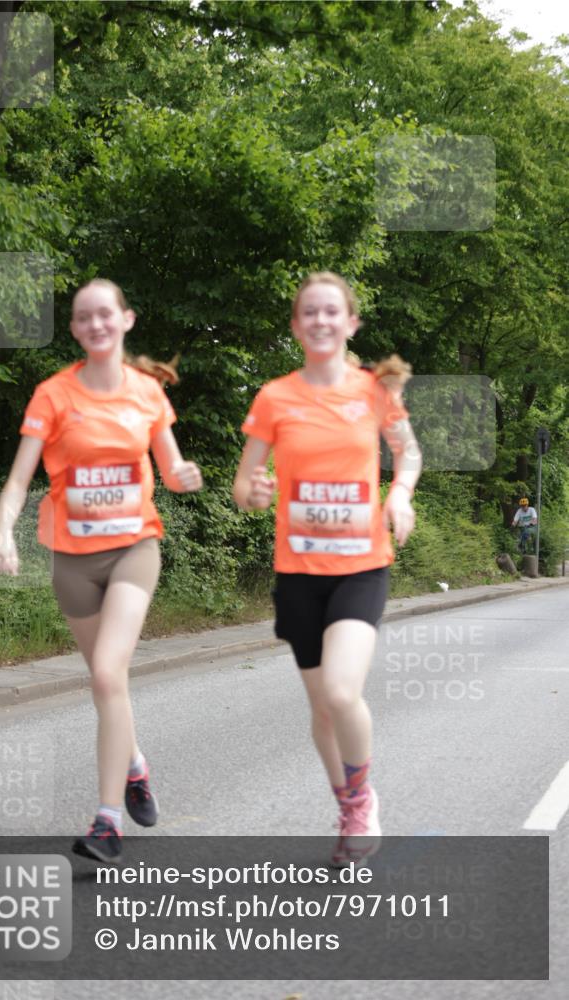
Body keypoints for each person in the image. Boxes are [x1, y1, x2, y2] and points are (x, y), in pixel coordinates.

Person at [0, 278, 202, 862]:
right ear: (77, 329)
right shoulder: (53, 395)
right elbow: (17, 479)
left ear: (126, 320)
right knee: (107, 683)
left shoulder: (147, 393)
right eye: (84, 318)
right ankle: (134, 764)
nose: (96, 324)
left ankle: (108, 822)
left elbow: (173, 463)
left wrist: (184, 476)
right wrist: (3, 532)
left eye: (106, 314)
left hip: (135, 549)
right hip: (72, 561)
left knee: (108, 673)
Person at [233, 272, 421, 865]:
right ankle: (346, 804)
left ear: (350, 323)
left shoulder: (374, 392)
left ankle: (361, 800)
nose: (320, 321)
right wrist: (254, 492)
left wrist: (400, 495)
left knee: (342, 692)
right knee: (320, 707)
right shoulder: (274, 397)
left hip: (362, 565)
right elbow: (245, 482)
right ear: (296, 325)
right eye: (308, 312)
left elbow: (407, 450)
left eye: (331, 312)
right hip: (299, 571)